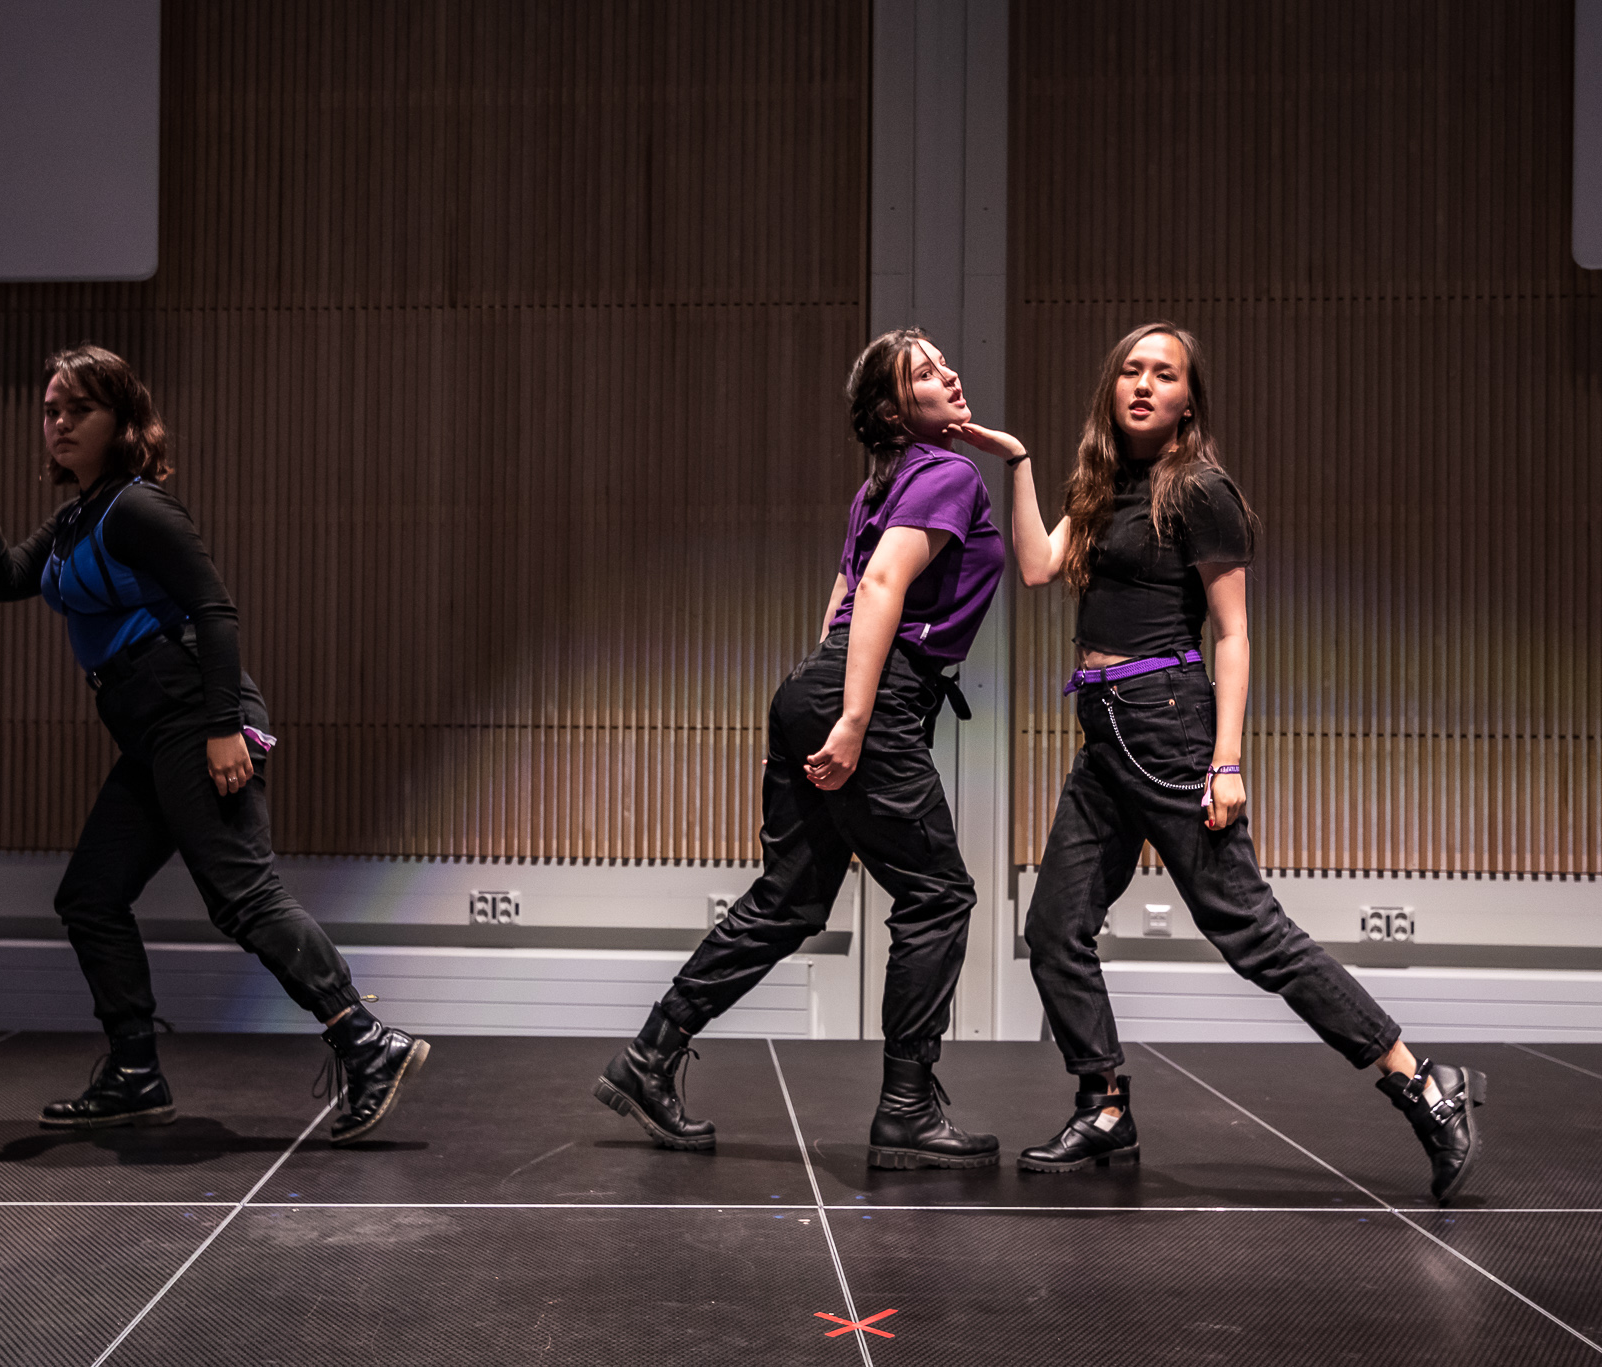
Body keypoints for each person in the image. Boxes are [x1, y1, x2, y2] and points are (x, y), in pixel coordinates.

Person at [990, 321, 1484, 1201]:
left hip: (1171, 725)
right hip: (1105, 731)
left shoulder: (1200, 488)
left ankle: (1423, 1083)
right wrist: (1019, 460)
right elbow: (1035, 566)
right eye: (1131, 370)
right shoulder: (1101, 484)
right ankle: (1104, 1103)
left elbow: (1234, 634)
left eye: (1164, 373)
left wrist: (1226, 761)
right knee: (1054, 928)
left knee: (1251, 933)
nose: (1145, 384)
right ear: (1112, 387)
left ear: (1189, 399)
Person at [0, 345, 427, 1143]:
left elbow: (214, 611)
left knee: (242, 894)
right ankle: (134, 1072)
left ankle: (366, 1040)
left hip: (194, 712)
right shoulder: (78, 516)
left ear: (121, 418)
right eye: (50, 410)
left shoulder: (138, 509)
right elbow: (2, 578)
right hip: (150, 728)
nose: (58, 423)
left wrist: (224, 728)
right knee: (91, 895)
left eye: (78, 409)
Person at [594, 329, 1013, 1169]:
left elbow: (841, 599)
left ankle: (649, 1055)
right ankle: (906, 1110)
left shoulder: (881, 484)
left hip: (821, 682)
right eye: (926, 371)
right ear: (894, 411)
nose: (950, 373)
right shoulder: (948, 473)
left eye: (943, 362)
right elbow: (880, 589)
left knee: (790, 899)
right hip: (871, 689)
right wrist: (851, 719)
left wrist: (807, 721)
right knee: (939, 894)